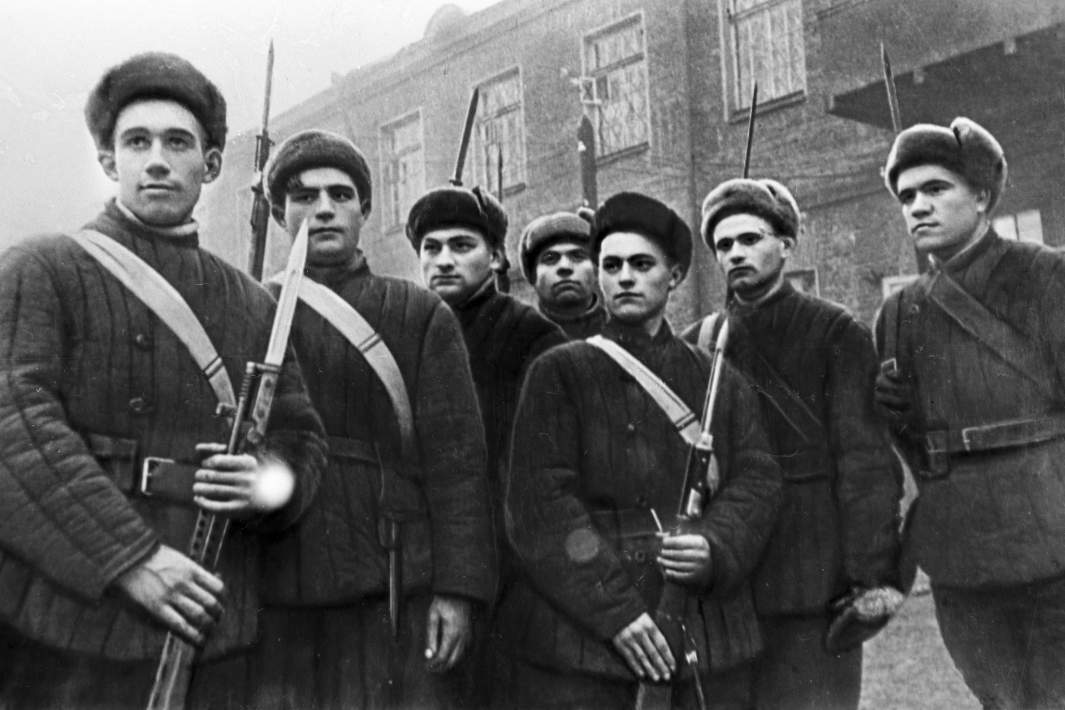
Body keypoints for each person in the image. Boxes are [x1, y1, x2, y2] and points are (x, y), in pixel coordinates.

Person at [0, 52, 326, 709]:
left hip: (212, 616)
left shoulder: (252, 302)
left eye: (178, 143)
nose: (156, 160)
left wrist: (263, 483)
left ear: (211, 164)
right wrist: (130, 558)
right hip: (71, 622)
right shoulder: (42, 268)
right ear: (107, 161)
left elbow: (301, 440)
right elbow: (16, 429)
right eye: (136, 142)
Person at [497, 191, 782, 709]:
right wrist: (616, 613)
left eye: (642, 264)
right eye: (611, 265)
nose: (625, 277)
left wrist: (715, 546)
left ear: (674, 275)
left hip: (703, 625)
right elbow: (540, 505)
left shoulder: (716, 376)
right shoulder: (558, 372)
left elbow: (758, 478)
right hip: (585, 638)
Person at [251, 129, 496, 709]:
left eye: (340, 195)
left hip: (392, 578)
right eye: (304, 196)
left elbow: (458, 464)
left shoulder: (419, 312)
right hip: (278, 579)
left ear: (364, 209)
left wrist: (457, 590)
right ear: (280, 214)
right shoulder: (251, 307)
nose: (324, 209)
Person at [686, 178, 905, 709]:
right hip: (732, 573)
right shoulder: (702, 341)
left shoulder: (835, 332)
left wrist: (868, 575)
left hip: (814, 575)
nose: (735, 253)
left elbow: (865, 462)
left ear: (786, 245)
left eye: (750, 239)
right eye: (723, 245)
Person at [875, 117, 1065, 709]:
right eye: (907, 196)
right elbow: (908, 444)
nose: (918, 207)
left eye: (936, 189)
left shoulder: (1046, 276)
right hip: (962, 557)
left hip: (1053, 540)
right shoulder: (899, 312)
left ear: (981, 196)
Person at [408, 184, 565, 706]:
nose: (444, 260)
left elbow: (542, 469)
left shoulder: (532, 336)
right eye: (431, 248)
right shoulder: (405, 330)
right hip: (419, 560)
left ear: (496, 257)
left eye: (462, 246)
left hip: (508, 569)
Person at [518, 209, 606, 338]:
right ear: (532, 275)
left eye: (578, 256)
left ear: (597, 268)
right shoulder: (515, 341)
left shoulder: (626, 334)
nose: (565, 267)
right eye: (550, 258)